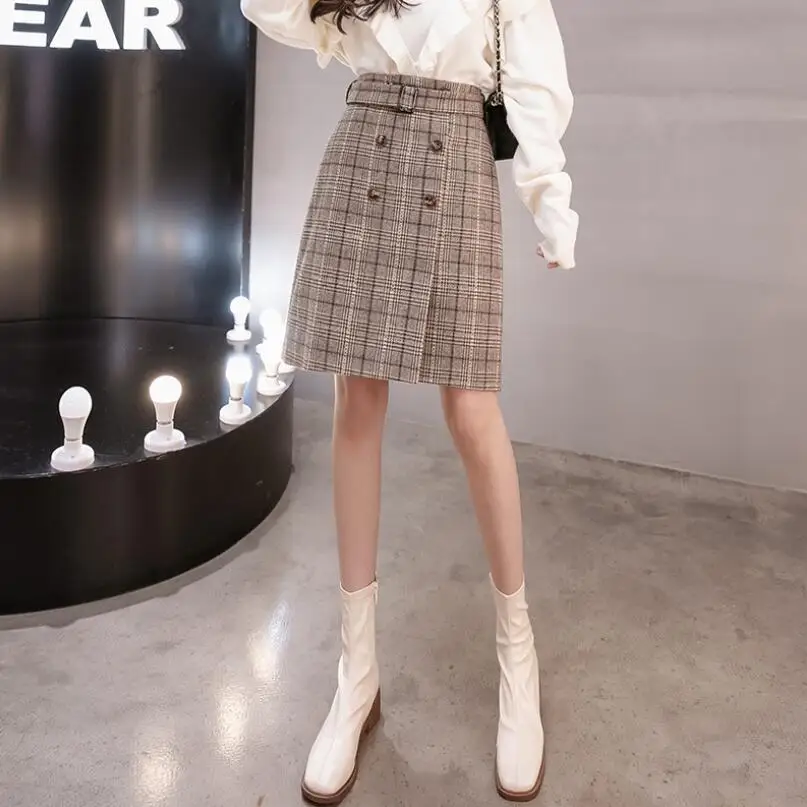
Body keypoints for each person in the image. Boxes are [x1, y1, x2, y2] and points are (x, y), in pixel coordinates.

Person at [241, 0, 578, 802]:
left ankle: (517, 662)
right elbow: (266, 7)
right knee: (355, 404)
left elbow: (535, 83)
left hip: (455, 161)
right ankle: (355, 675)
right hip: (362, 152)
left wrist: (549, 201)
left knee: (472, 410)